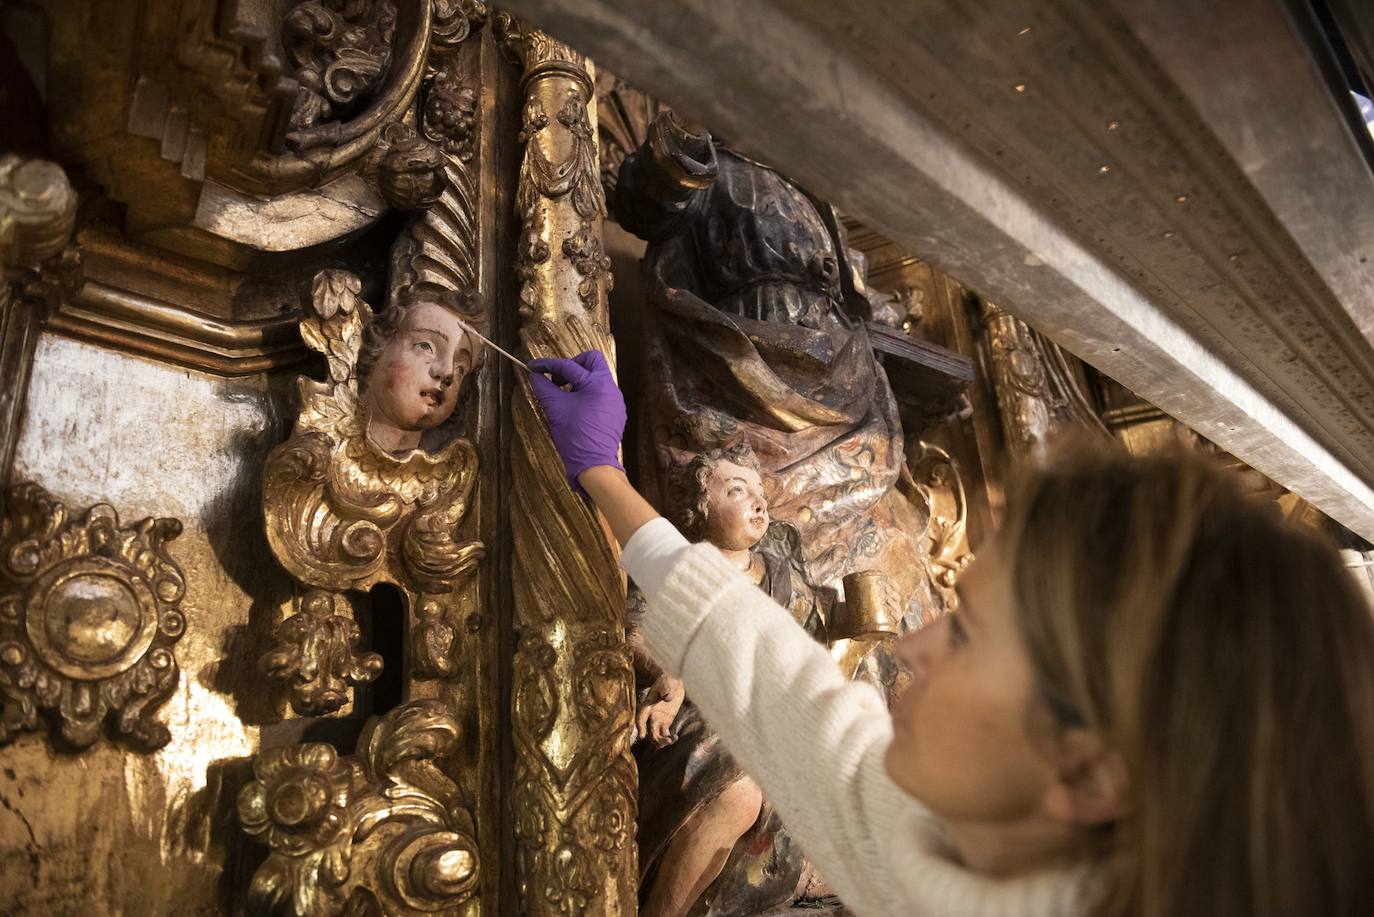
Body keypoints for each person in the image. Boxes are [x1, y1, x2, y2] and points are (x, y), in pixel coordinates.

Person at [527, 350, 1374, 917]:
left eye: (965, 635)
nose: (913, 646)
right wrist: (601, 469)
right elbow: (790, 696)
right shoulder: (984, 863)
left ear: (1084, 770)